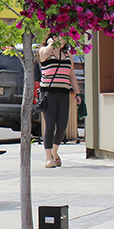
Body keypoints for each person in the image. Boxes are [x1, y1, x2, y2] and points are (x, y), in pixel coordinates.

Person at [38, 35, 82, 168]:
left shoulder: (67, 54)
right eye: (60, 37)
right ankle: (48, 158)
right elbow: (43, 55)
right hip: (48, 92)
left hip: (63, 92)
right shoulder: (45, 50)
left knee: (62, 126)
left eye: (64, 38)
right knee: (50, 126)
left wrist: (78, 93)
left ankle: (55, 152)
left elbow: (72, 75)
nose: (63, 40)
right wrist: (52, 44)